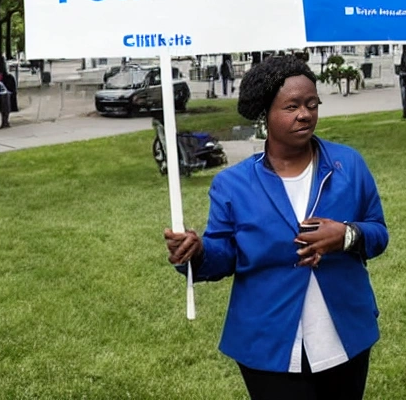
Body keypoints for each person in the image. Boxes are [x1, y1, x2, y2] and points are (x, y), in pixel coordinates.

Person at [164, 56, 389, 399]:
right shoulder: (233, 185)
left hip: (345, 332)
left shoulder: (349, 166)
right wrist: (196, 254)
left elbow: (378, 233)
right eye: (292, 106)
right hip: (268, 340)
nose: (305, 114)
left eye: (312, 104)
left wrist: (346, 236)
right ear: (264, 113)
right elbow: (223, 255)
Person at [0, 60, 17, 128]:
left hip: (4, 94)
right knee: (4, 109)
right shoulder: (0, 77)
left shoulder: (3, 77)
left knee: (5, 109)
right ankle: (4, 121)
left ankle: (5, 122)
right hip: (2, 94)